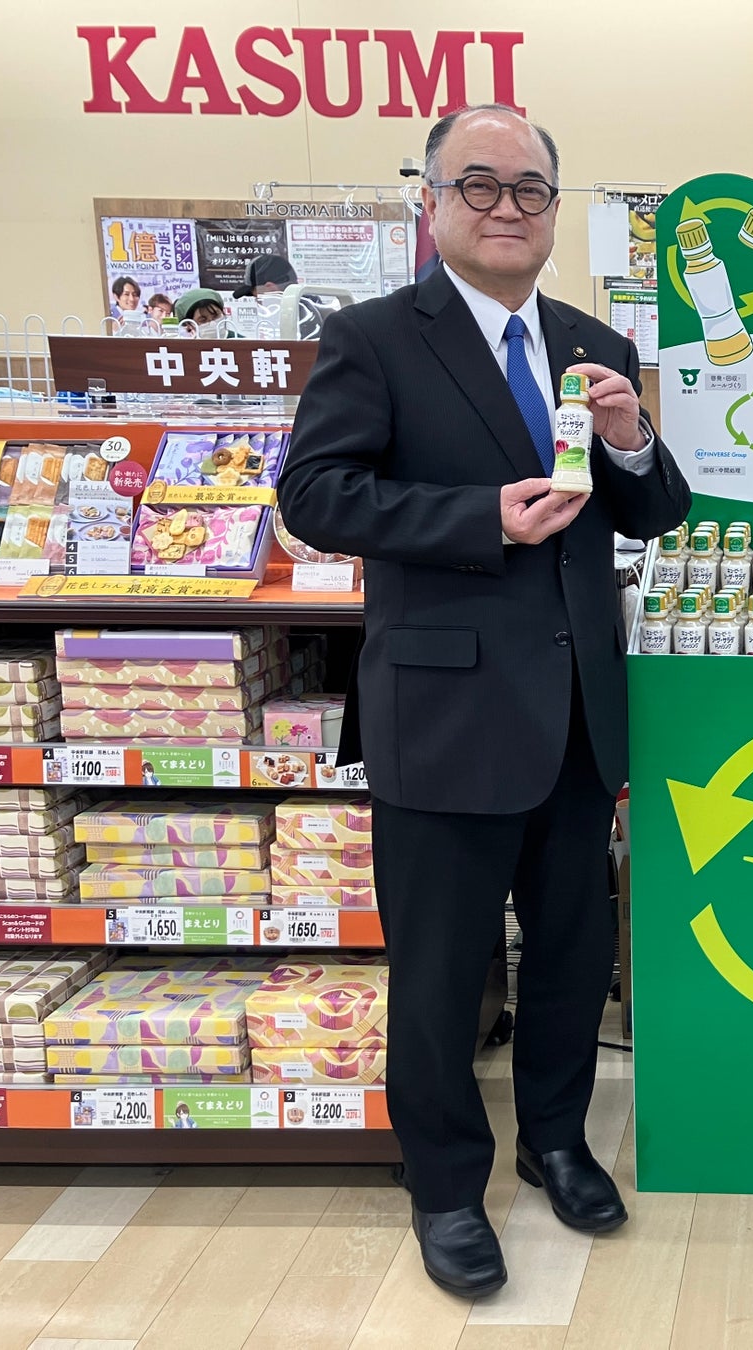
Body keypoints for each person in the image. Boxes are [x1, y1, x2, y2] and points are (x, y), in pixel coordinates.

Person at [279, 103, 689, 1300]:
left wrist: (629, 438)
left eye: (529, 189)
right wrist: (477, 520)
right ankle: (447, 1184)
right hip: (445, 714)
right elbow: (315, 495)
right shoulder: (373, 337)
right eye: (479, 184)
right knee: (443, 971)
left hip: (576, 714)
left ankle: (555, 1142)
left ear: (555, 210)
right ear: (431, 201)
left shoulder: (590, 340)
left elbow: (656, 511)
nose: (507, 207)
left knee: (571, 953)